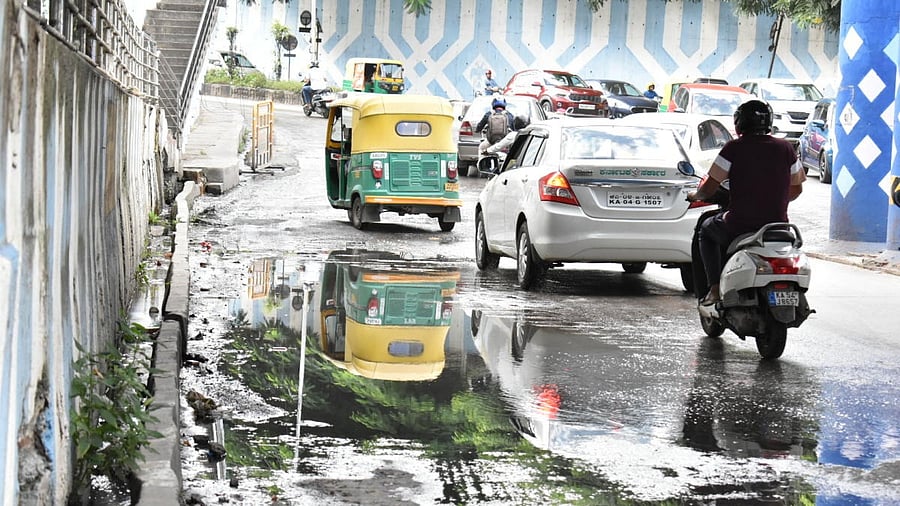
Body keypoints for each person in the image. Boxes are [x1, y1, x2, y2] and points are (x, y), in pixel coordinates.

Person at [687, 100, 806, 306]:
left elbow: (710, 187)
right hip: (778, 225)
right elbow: (796, 189)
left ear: (739, 123)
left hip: (739, 224)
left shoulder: (733, 148)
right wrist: (772, 197)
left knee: (706, 229)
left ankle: (714, 289)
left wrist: (696, 196)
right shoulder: (786, 148)